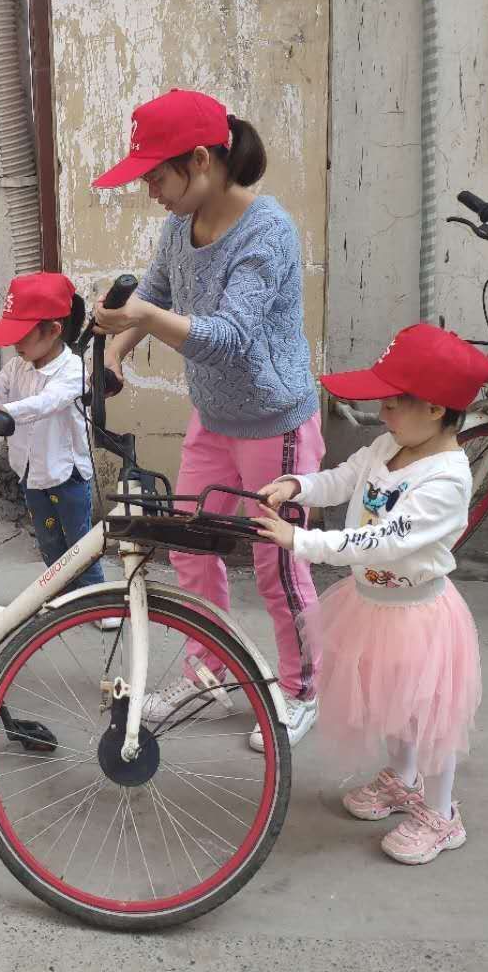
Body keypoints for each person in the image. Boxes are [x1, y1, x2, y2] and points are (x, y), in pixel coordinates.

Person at [91, 89, 324, 748]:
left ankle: (302, 689)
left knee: (278, 566)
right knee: (190, 550)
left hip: (275, 425)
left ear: (200, 160)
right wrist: (115, 352)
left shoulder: (268, 232)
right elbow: (153, 293)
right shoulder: (179, 227)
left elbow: (230, 338)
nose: (151, 193)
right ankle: (210, 671)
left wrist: (143, 317)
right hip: (214, 418)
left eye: (155, 177)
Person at [252, 324, 488, 864]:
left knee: (429, 719)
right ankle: (403, 780)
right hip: (371, 607)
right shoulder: (392, 444)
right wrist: (298, 485)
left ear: (435, 408)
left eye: (392, 402)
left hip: (418, 616)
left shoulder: (447, 479)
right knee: (392, 704)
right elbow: (343, 478)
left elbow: (382, 539)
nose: (381, 412)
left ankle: (442, 813)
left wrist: (303, 541)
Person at [0, 273, 108, 600]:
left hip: (66, 475)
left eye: (22, 335)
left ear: (54, 330)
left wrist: (2, 409)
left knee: (80, 545)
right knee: (49, 542)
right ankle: (62, 597)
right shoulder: (18, 366)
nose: (15, 344)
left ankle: (97, 601)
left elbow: (45, 404)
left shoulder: (72, 370)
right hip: (31, 473)